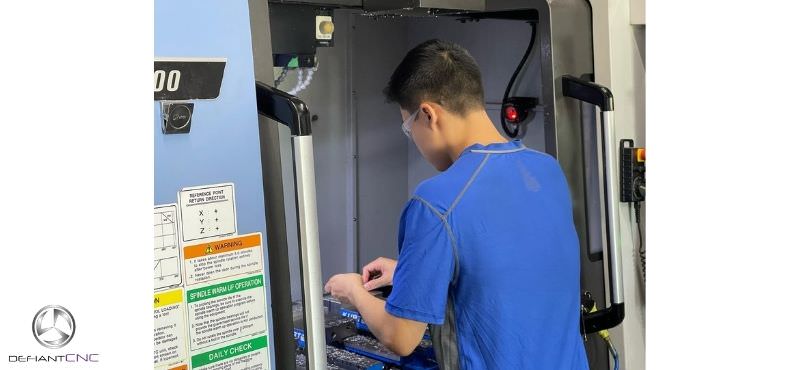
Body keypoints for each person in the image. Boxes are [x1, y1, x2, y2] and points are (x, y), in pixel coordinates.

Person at [324, 39, 589, 370]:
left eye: (408, 128)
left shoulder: (434, 201)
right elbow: (516, 264)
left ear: (428, 114)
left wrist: (353, 292)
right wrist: (415, 273)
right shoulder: (545, 170)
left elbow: (401, 335)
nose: (414, 139)